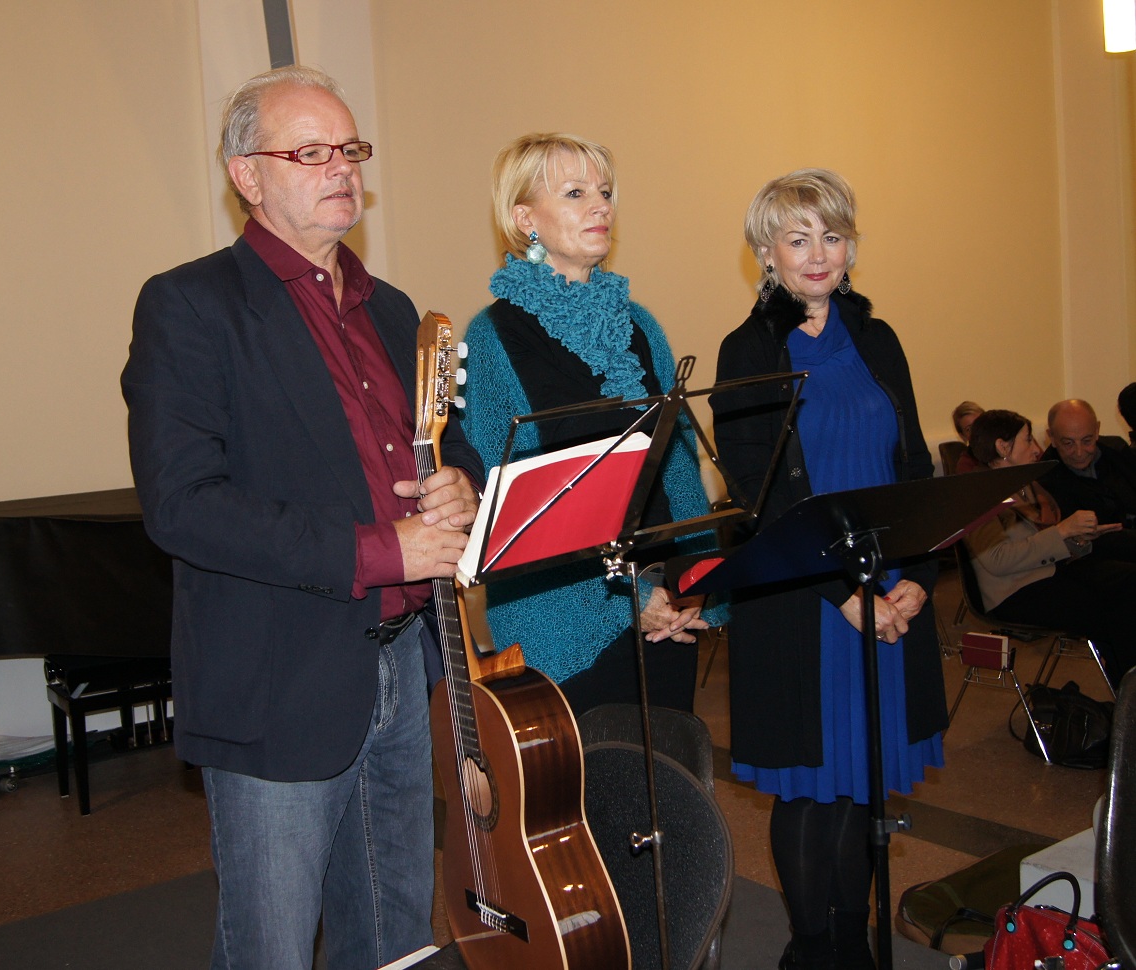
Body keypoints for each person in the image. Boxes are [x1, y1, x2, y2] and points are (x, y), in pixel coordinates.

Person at [121, 66, 483, 970]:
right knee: (272, 949)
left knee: (395, 940)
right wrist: (382, 549)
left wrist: (459, 485)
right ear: (246, 175)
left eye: (349, 149)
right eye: (310, 152)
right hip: (278, 674)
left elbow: (441, 446)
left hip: (400, 662)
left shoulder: (390, 307)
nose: (341, 169)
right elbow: (182, 504)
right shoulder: (190, 304)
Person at [710, 169, 946, 970]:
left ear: (851, 247)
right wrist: (840, 593)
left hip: (885, 591)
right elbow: (757, 495)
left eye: (832, 235)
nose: (817, 253)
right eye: (796, 237)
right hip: (804, 601)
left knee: (863, 782)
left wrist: (916, 577)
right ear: (765, 253)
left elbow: (910, 466)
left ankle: (853, 941)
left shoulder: (876, 338)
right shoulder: (747, 350)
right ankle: (810, 951)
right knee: (811, 788)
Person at [459, 132, 720, 718]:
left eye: (604, 192)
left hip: (666, 603)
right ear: (525, 218)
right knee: (595, 773)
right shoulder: (495, 337)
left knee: (671, 769)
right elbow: (512, 514)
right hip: (563, 619)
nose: (601, 205)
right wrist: (629, 599)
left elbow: (679, 467)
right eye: (575, 193)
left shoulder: (640, 323)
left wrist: (697, 581)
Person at [965, 410, 1136, 687]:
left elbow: (1040, 544)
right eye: (1028, 440)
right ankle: (1128, 695)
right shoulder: (979, 493)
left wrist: (1080, 539)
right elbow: (997, 560)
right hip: (1014, 593)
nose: (1036, 449)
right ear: (1003, 447)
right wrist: (1062, 531)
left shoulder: (1021, 484)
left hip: (1044, 574)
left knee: (1127, 582)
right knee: (1118, 605)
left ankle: (1126, 694)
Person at [1041, 399, 1136, 538]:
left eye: (1087, 441)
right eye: (1068, 443)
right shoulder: (1045, 478)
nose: (1079, 452)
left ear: (1097, 430)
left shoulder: (1117, 450)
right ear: (1052, 438)